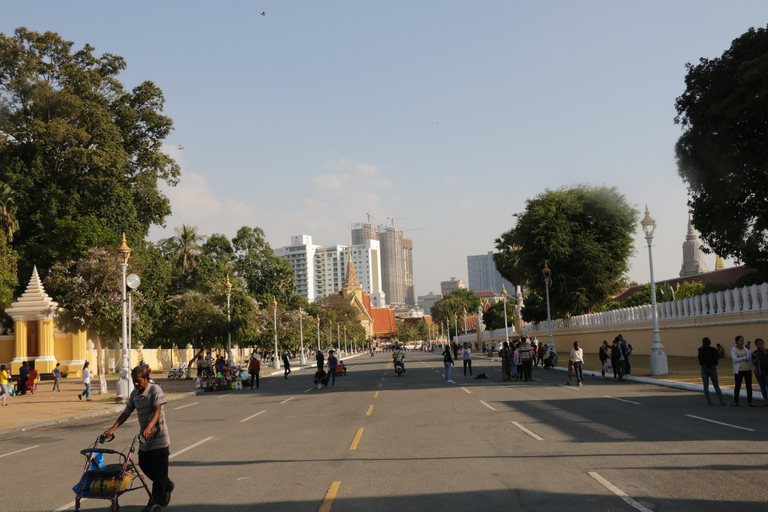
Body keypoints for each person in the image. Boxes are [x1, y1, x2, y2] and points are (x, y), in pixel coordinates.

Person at [104, 366, 174, 511]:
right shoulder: (134, 394)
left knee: (159, 472)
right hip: (144, 440)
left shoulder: (155, 390)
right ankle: (166, 485)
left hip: (159, 438)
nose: (136, 384)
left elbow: (157, 411)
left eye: (139, 381)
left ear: (147, 379)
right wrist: (112, 428)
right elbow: (126, 413)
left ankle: (154, 503)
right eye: (134, 381)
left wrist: (149, 427)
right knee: (144, 466)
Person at [698, 337, 725, 406]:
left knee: (706, 385)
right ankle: (720, 400)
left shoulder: (700, 349)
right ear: (709, 342)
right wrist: (714, 364)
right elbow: (716, 358)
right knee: (716, 385)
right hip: (712, 368)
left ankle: (709, 400)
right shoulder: (713, 349)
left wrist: (702, 364)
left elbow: (700, 358)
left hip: (704, 369)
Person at [731, 335, 755, 407]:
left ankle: (750, 402)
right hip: (739, 370)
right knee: (738, 386)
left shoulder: (746, 349)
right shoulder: (733, 349)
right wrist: (744, 357)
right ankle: (736, 401)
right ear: (736, 342)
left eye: (743, 340)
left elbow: (749, 358)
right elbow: (735, 359)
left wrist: (749, 350)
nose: (742, 342)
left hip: (747, 369)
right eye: (740, 340)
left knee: (749, 386)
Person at [751, 338, 768, 406]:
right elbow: (754, 363)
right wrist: (757, 356)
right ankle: (765, 400)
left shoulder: (767, 351)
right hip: (758, 372)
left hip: (767, 372)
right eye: (758, 344)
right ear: (755, 345)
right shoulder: (754, 353)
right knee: (762, 387)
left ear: (763, 344)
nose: (759, 345)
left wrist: (764, 351)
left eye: (761, 344)